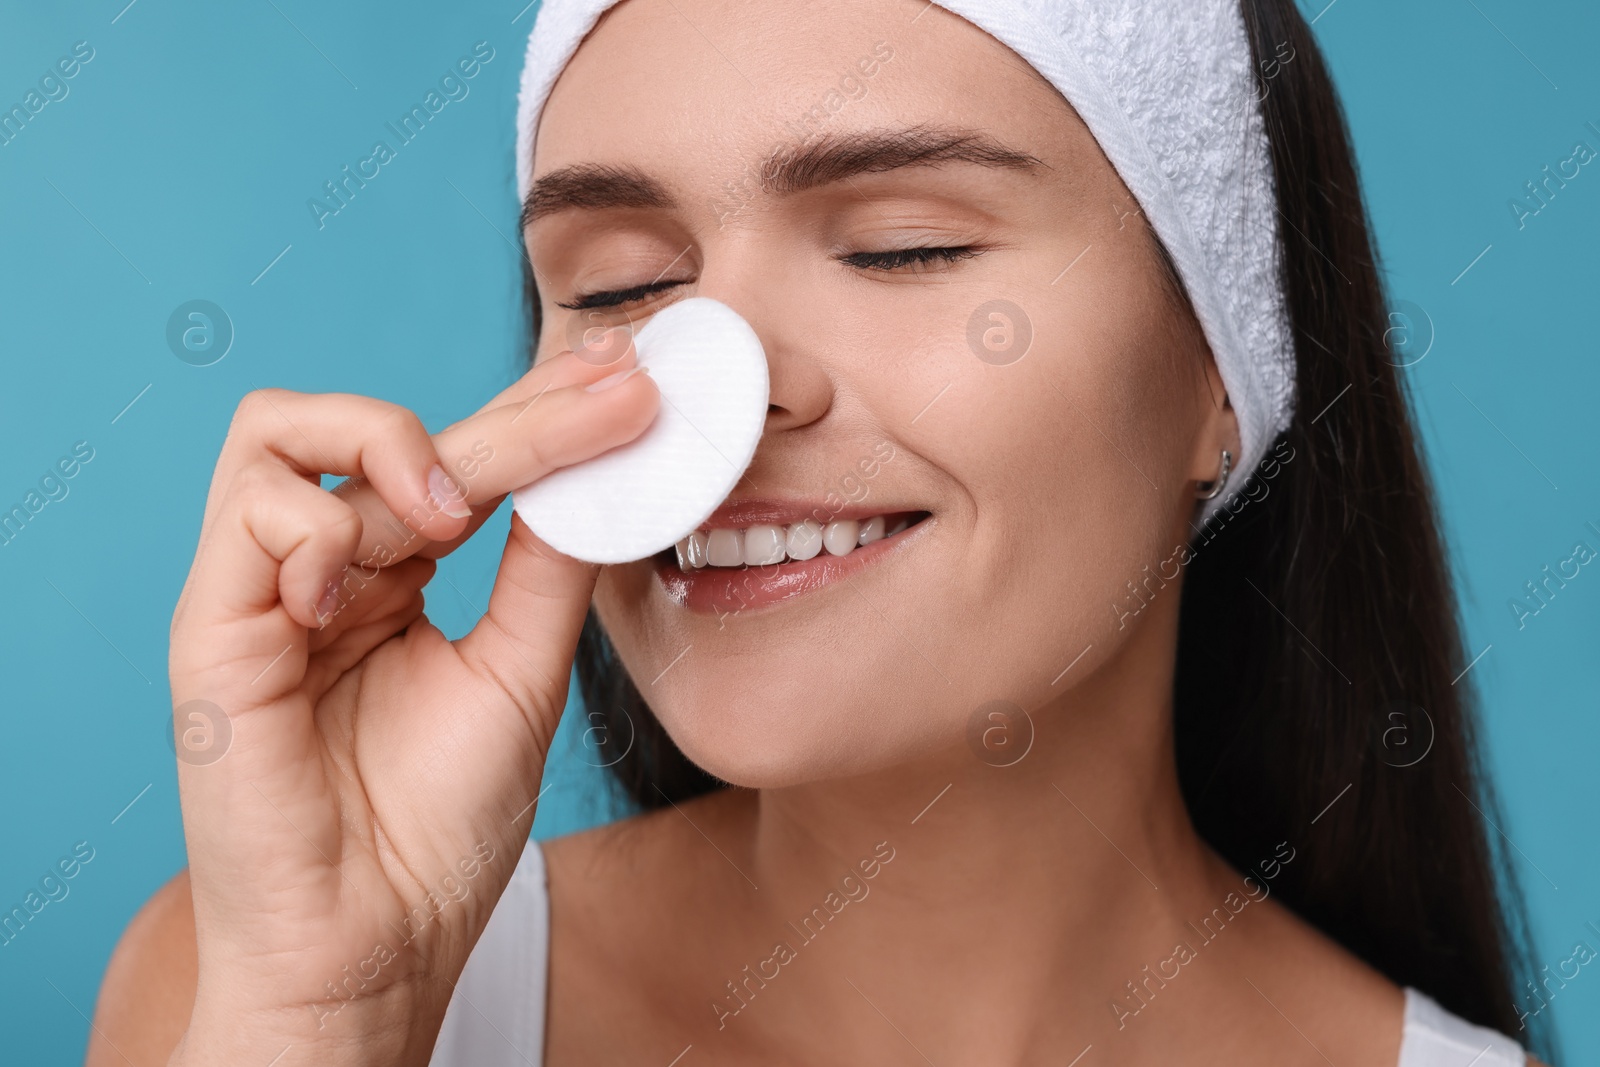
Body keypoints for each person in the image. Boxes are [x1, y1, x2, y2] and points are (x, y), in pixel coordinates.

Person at [88, 0, 1557, 1064]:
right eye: (617, 286)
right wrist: (315, 1019)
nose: (724, 390)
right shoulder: (251, 993)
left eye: (902, 248)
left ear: (1216, 379)